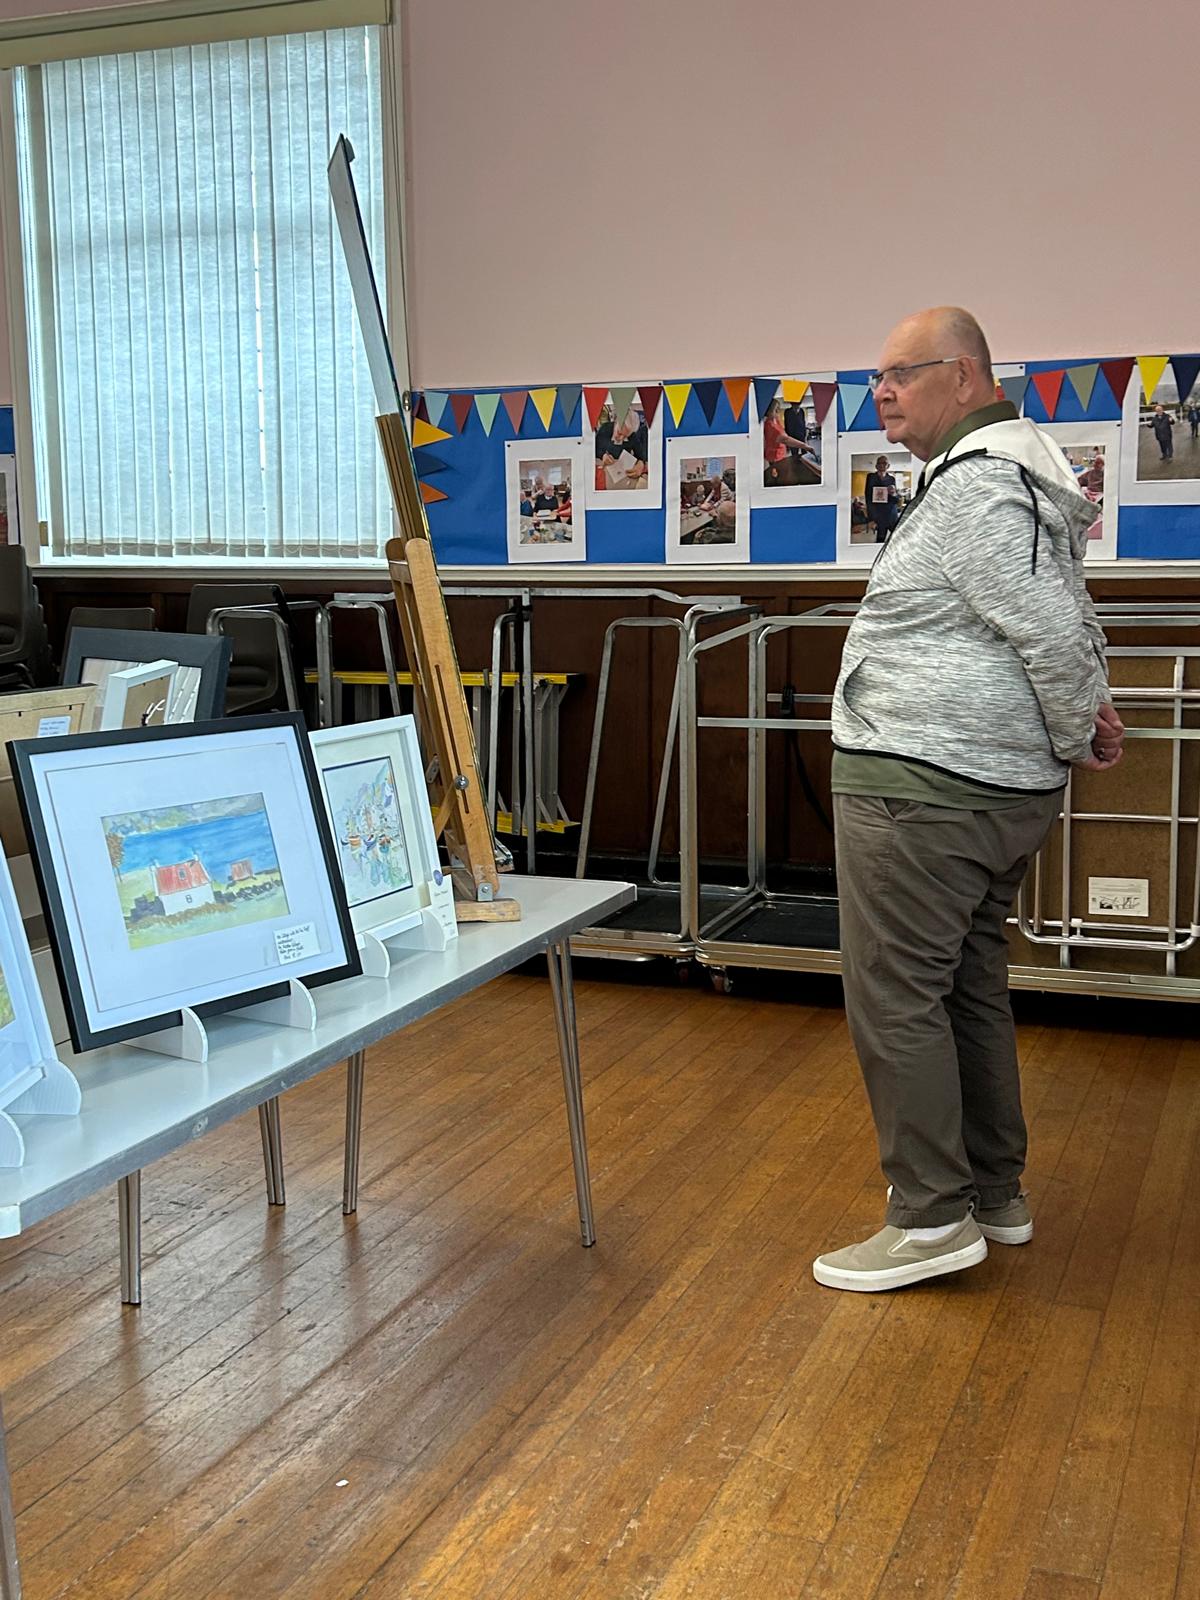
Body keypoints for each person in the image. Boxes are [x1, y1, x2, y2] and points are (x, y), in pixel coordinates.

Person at [813, 305, 1123, 1294]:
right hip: (977, 787)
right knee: (964, 986)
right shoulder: (1010, 477)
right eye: (877, 377)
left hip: (925, 788)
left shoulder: (981, 484)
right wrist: (1082, 717)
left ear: (966, 375)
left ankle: (930, 1218)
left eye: (901, 373)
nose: (882, 393)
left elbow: (1051, 630)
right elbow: (1064, 616)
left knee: (898, 994)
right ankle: (992, 1194)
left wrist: (1078, 726)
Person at [863, 454, 901, 541]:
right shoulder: (871, 477)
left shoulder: (892, 479)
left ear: (888, 466)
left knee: (898, 539)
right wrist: (871, 518)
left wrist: (894, 493)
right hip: (879, 516)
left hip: (891, 514)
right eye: (879, 463)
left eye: (884, 463)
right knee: (880, 539)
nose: (882, 465)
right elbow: (868, 497)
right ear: (876, 466)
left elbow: (895, 500)